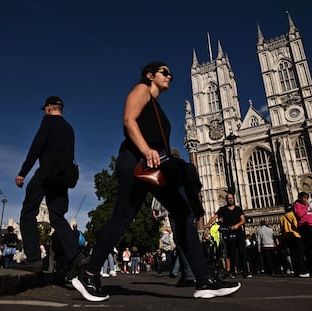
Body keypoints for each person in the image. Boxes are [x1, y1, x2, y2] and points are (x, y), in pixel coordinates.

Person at [71, 61, 241, 302]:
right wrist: (146, 149)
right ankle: (89, 274)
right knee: (124, 217)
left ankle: (204, 280)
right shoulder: (141, 89)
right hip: (137, 161)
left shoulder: (157, 107)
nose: (170, 75)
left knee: (182, 214)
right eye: (164, 72)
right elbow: (129, 121)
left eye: (170, 72)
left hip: (155, 166)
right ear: (150, 75)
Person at [14, 96, 83, 275]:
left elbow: (36, 147)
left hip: (46, 172)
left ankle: (34, 258)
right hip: (63, 176)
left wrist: (23, 172)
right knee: (57, 216)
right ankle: (75, 255)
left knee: (28, 211)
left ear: (48, 108)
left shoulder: (48, 122)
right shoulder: (69, 128)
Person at [212, 193, 252, 279]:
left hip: (239, 233)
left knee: (242, 252)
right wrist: (209, 223)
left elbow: (243, 220)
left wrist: (237, 225)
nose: (230, 199)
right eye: (229, 198)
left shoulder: (238, 209)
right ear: (226, 200)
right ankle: (232, 272)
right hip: (229, 233)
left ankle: (245, 272)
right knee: (231, 253)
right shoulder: (223, 210)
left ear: (234, 199)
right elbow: (216, 216)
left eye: (231, 198)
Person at [279, 204, 309, 277]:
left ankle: (296, 271)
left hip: (288, 237)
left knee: (293, 255)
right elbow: (296, 225)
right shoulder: (293, 215)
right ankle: (303, 271)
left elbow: (282, 229)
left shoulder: (282, 217)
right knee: (299, 254)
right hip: (296, 236)